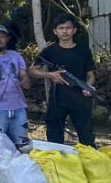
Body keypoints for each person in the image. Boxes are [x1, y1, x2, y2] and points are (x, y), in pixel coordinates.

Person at [29, 14, 96, 147]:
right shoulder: (50, 51)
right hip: (57, 99)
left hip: (80, 99)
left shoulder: (83, 50)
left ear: (74, 30)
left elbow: (91, 75)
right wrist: (50, 75)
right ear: (55, 31)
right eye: (61, 28)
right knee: (54, 139)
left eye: (68, 28)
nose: (65, 31)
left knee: (87, 138)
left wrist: (88, 87)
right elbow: (32, 71)